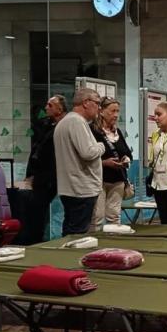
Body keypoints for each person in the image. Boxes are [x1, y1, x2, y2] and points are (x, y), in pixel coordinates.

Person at [53, 88, 106, 235]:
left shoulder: (65, 122)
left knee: (70, 232)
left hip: (71, 188)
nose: (99, 107)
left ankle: (65, 257)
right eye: (97, 103)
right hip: (81, 189)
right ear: (86, 103)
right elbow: (88, 152)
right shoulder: (77, 122)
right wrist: (102, 146)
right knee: (78, 235)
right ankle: (72, 259)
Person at [20, 94, 66, 244]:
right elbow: (37, 151)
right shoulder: (45, 124)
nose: (46, 108)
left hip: (54, 175)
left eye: (50, 105)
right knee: (36, 210)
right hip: (41, 175)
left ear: (60, 109)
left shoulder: (64, 126)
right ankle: (36, 239)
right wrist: (31, 174)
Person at [91, 97, 133, 230]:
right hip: (99, 180)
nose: (115, 115)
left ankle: (113, 246)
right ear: (102, 111)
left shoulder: (117, 132)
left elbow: (127, 152)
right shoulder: (92, 131)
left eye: (117, 111)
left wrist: (126, 159)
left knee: (114, 217)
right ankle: (94, 243)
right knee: (97, 217)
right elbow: (86, 156)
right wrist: (104, 163)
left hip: (118, 181)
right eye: (112, 111)